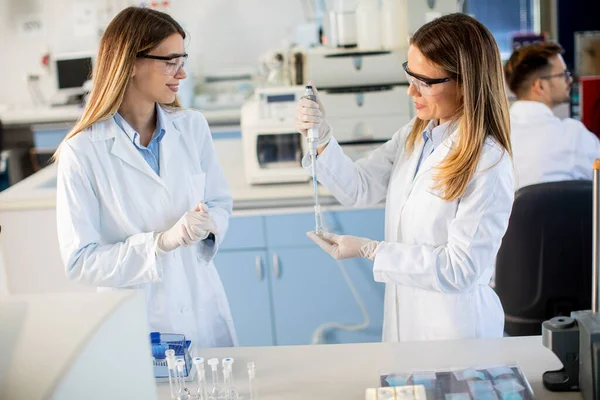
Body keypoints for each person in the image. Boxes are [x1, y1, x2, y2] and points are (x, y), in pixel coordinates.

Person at [295, 13, 514, 342]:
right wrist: (323, 138)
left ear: (466, 82)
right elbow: (359, 189)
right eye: (410, 75)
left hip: (457, 334)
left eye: (425, 82)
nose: (411, 91)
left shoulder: (488, 161)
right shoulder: (416, 136)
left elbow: (460, 269)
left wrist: (372, 250)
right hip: (407, 323)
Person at [54, 6, 237, 347]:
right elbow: (81, 261)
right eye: (170, 61)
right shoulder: (81, 152)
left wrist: (207, 226)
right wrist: (159, 243)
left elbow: (220, 202)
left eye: (183, 60)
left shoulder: (192, 127)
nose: (181, 74)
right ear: (131, 62)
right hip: (137, 323)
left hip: (201, 306)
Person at [504, 42, 600, 190]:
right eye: (563, 75)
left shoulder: (497, 135)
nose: (570, 80)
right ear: (540, 86)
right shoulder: (573, 135)